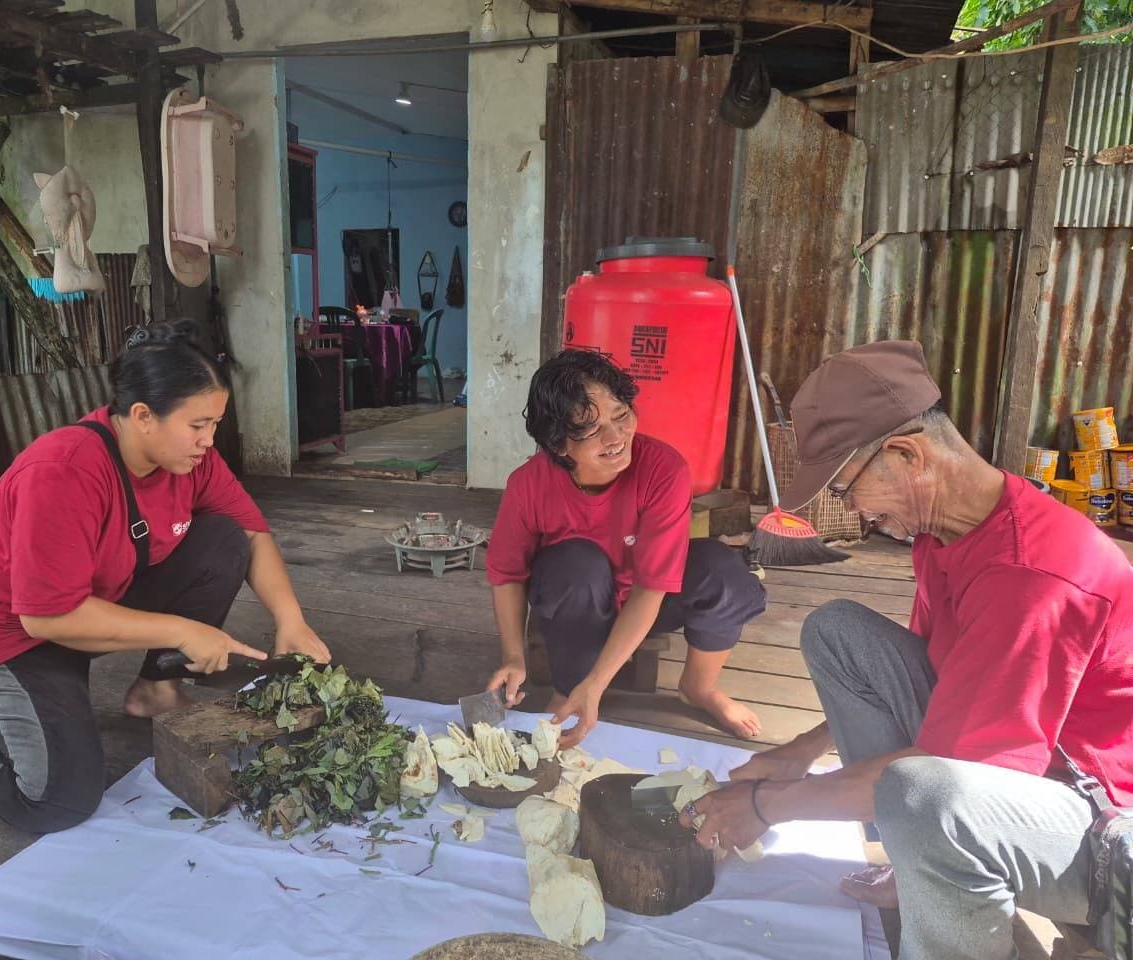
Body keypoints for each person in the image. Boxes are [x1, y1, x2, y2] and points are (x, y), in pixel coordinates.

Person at [677, 340, 1133, 960]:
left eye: (846, 490)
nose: (853, 514)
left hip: (1101, 827)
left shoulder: (1033, 577)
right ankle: (915, 862)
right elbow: (945, 692)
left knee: (925, 803)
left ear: (906, 454)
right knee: (838, 632)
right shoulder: (945, 534)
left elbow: (955, 775)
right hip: (1026, 763)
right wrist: (802, 755)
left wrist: (766, 805)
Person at [0, 321, 331, 833]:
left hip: (85, 608)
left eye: (215, 423)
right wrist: (183, 632)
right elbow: (44, 617)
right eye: (198, 425)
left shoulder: (194, 461)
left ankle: (157, 689)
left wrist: (291, 620)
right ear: (143, 416)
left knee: (222, 540)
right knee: (52, 800)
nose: (208, 441)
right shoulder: (65, 470)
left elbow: (252, 533)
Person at [484, 349, 767, 747]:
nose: (615, 438)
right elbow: (507, 575)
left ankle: (698, 687)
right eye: (589, 429)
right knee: (577, 563)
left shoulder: (663, 470)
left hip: (646, 598)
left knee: (724, 573)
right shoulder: (529, 485)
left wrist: (599, 682)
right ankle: (568, 689)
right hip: (576, 602)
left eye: (620, 416)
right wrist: (514, 657)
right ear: (559, 445)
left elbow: (653, 586)